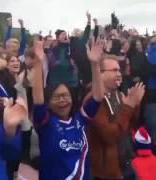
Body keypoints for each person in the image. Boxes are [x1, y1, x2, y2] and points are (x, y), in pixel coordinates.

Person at [32, 38, 104, 180]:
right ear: (49, 102)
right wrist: (38, 62)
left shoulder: (80, 119)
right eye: (56, 97)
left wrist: (95, 65)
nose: (62, 100)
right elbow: (38, 99)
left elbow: (97, 97)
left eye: (65, 95)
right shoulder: (45, 122)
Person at [86, 54, 145, 179]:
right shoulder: (93, 100)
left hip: (124, 160)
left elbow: (130, 125)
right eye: (114, 70)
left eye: (119, 70)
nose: (119, 74)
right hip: (106, 169)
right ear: (100, 74)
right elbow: (110, 136)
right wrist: (128, 106)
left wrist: (135, 104)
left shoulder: (118, 94)